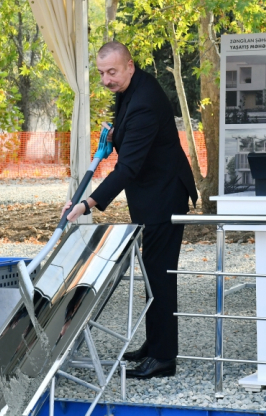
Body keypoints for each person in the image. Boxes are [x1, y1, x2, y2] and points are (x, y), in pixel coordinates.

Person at [62, 41, 197, 379]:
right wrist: (113, 137)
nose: (107, 80)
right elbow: (129, 139)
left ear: (130, 66)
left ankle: (164, 358)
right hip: (150, 193)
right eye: (102, 73)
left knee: (160, 274)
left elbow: (128, 168)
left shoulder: (145, 103)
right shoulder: (130, 88)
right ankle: (155, 345)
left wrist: (86, 203)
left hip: (164, 195)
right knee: (153, 271)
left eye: (113, 72)